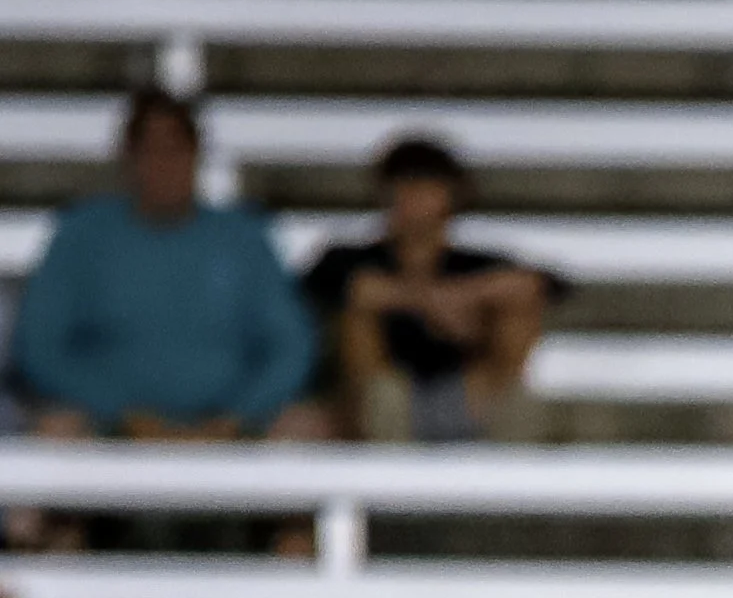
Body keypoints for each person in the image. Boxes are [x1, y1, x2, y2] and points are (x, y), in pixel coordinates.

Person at [10, 89, 316, 450]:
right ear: (128, 157)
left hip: (232, 429)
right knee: (50, 434)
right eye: (150, 150)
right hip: (108, 428)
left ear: (196, 155)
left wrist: (238, 414)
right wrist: (122, 413)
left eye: (175, 150)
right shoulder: (81, 234)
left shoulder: (244, 236)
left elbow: (291, 345)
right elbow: (39, 347)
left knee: (308, 430)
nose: (164, 164)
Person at [302, 136, 557, 444]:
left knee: (518, 315)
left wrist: (460, 295)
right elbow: (339, 286)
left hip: (471, 395)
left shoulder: (476, 264)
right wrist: (431, 301)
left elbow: (539, 284)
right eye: (406, 187)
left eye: (428, 188)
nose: (416, 200)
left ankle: (508, 480)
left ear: (453, 195)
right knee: (357, 318)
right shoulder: (348, 258)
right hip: (380, 401)